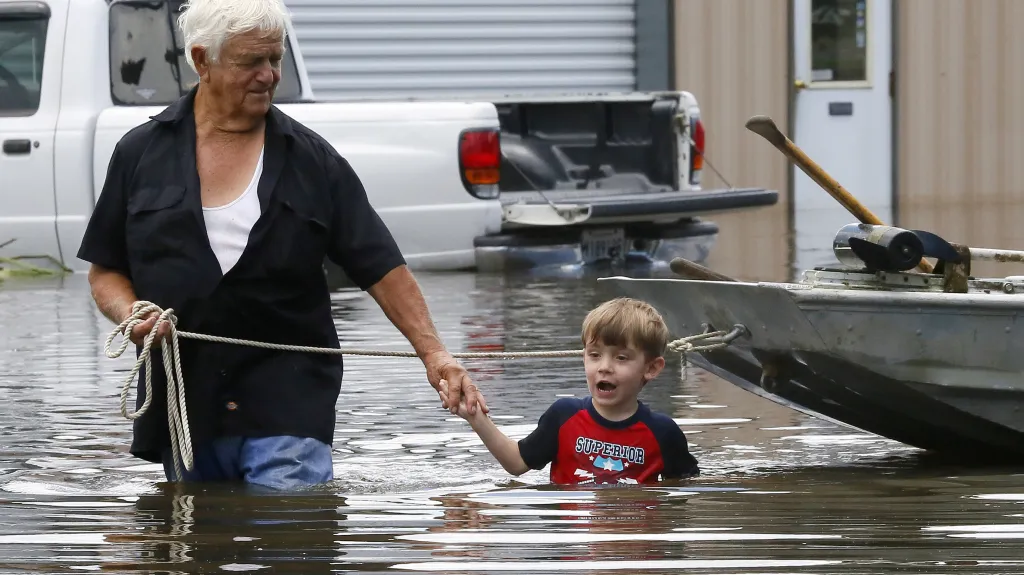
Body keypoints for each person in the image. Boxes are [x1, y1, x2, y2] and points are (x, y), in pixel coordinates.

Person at [76, 0, 485, 490]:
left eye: (275, 59)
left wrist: (435, 354)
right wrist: (130, 316)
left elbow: (380, 266)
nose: (269, 75)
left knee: (293, 533)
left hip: (289, 396)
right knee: (197, 549)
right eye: (252, 61)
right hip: (186, 400)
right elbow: (105, 272)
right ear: (202, 60)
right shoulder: (140, 153)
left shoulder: (313, 161)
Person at [439, 297, 699, 485]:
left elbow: (683, 488)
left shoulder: (664, 433)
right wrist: (476, 418)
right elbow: (516, 463)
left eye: (621, 358)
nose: (604, 368)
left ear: (651, 368)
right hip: (573, 552)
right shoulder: (564, 416)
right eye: (595, 355)